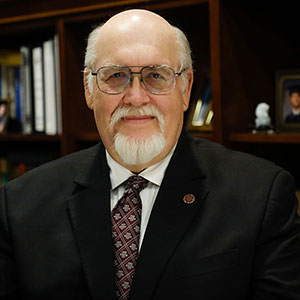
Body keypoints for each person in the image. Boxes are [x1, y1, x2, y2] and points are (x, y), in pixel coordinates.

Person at [0, 9, 300, 300]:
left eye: (156, 75)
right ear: (89, 90)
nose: (136, 97)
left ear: (185, 88)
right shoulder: (18, 205)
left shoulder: (261, 196)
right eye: (115, 75)